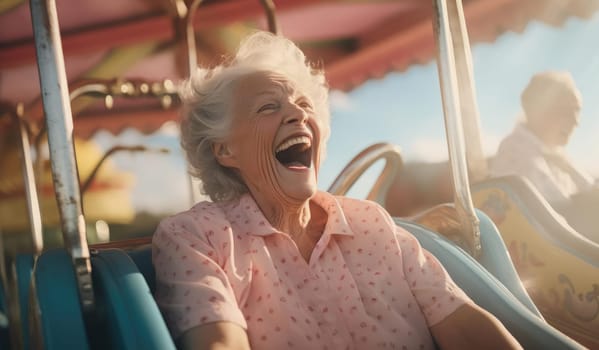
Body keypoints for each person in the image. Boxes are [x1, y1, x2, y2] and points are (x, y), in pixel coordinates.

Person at [152, 31, 522, 349]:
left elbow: (465, 326)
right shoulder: (197, 237)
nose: (297, 114)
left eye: (303, 104)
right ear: (224, 150)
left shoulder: (372, 223)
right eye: (268, 107)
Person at [490, 70, 598, 240]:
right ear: (538, 110)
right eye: (566, 111)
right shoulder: (517, 151)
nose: (576, 121)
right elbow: (562, 215)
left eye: (577, 110)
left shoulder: (555, 156)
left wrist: (569, 167)